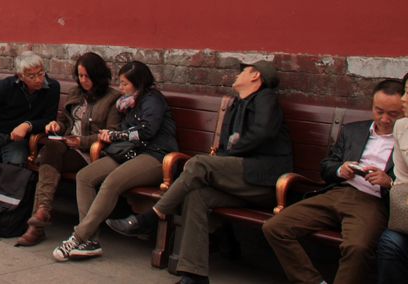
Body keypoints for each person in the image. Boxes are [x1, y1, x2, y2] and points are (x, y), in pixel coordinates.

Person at [108, 60, 292, 284]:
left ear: (255, 76)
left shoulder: (266, 98)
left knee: (198, 164)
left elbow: (262, 133)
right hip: (239, 178)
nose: (237, 74)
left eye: (243, 70)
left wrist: (226, 156)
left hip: (264, 180)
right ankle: (194, 275)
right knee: (197, 196)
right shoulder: (236, 104)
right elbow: (226, 147)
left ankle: (153, 216)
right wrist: (224, 158)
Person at [263, 78, 403, 284]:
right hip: (339, 191)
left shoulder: (405, 138)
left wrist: (388, 181)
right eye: (379, 111)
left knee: (357, 248)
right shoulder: (354, 130)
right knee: (275, 227)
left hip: (373, 202)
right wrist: (341, 169)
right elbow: (326, 166)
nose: (384, 119)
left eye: (393, 114)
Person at [51, 59, 178, 260]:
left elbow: (147, 131)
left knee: (111, 182)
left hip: (155, 155)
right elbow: (123, 129)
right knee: (85, 176)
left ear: (139, 83)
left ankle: (78, 237)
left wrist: (117, 136)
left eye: (125, 83)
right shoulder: (127, 103)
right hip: (128, 152)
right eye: (120, 83)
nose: (121, 88)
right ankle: (90, 240)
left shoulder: (152, 99)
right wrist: (110, 134)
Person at [16, 51, 121, 246]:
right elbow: (64, 121)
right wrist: (56, 126)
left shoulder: (113, 99)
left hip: (90, 153)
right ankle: (42, 212)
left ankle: (38, 223)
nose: (83, 81)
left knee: (50, 154)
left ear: (98, 76)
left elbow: (111, 134)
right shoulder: (75, 93)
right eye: (80, 76)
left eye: (87, 76)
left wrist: (81, 142)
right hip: (66, 146)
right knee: (51, 148)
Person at [0, 51, 61, 216]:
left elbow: (48, 119)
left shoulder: (52, 87)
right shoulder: (6, 86)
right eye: (32, 76)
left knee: (16, 165)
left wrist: (28, 125)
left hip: (18, 139)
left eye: (41, 73)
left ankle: (2, 210)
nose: (38, 79)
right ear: (21, 76)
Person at [376, 72, 408, 284]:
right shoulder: (402, 126)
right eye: (405, 92)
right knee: (390, 242)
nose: (403, 98)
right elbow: (402, 178)